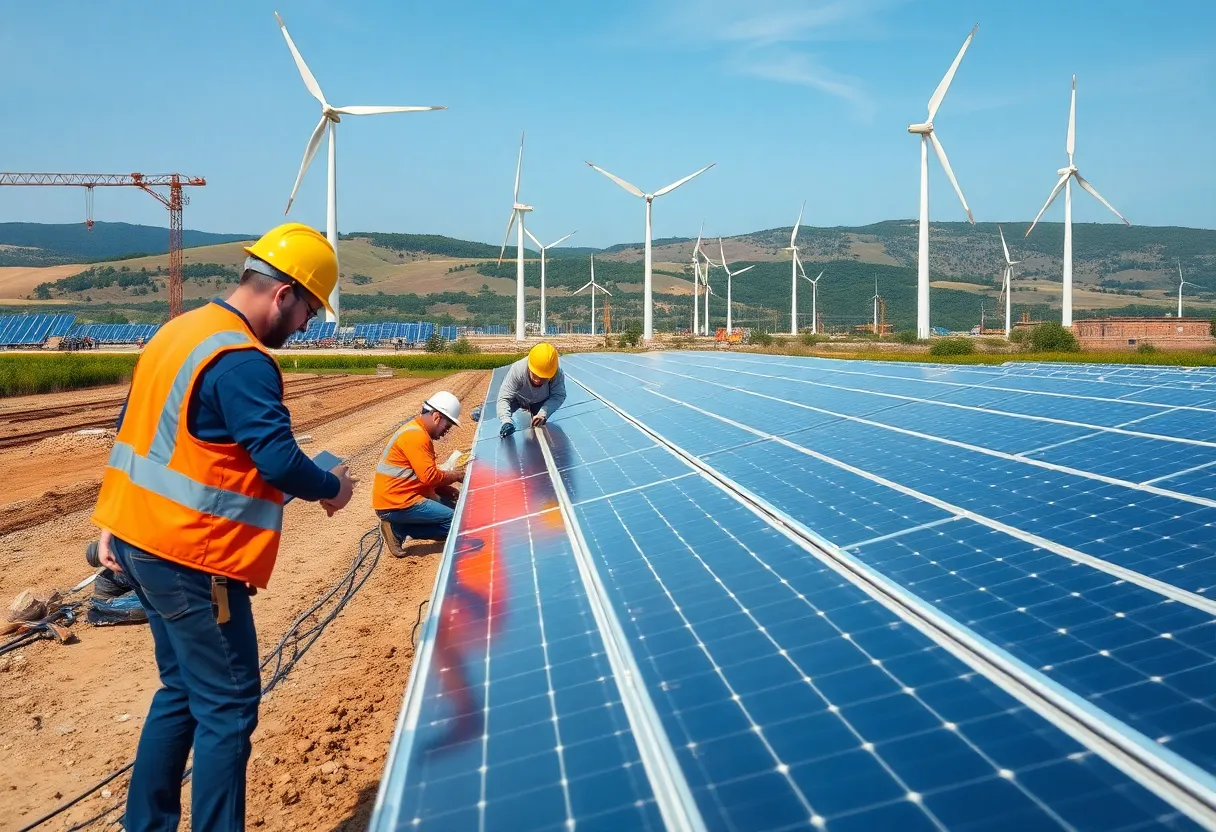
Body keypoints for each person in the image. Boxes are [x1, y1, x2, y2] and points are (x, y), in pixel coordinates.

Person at [90, 222, 358, 832]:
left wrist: (110, 519)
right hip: (191, 557)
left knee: (182, 690)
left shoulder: (181, 332)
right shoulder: (242, 360)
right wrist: (332, 488)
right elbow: (279, 459)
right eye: (309, 311)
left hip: (142, 539)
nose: (306, 326)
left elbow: (132, 433)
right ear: (283, 294)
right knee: (230, 705)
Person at [372, 391, 465, 557]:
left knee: (455, 511)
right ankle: (398, 528)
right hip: (396, 503)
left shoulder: (416, 431)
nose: (446, 432)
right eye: (447, 426)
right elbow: (429, 476)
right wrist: (456, 476)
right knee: (458, 521)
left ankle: (401, 527)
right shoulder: (416, 436)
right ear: (437, 417)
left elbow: (423, 476)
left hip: (403, 496)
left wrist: (444, 489)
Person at [497, 342, 565, 437]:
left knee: (537, 429)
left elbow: (558, 395)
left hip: (541, 401)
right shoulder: (518, 369)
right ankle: (481, 411)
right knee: (500, 412)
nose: (538, 380)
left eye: (543, 378)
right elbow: (504, 397)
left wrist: (543, 413)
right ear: (529, 366)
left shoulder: (556, 373)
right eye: (535, 374)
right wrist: (506, 421)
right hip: (518, 399)